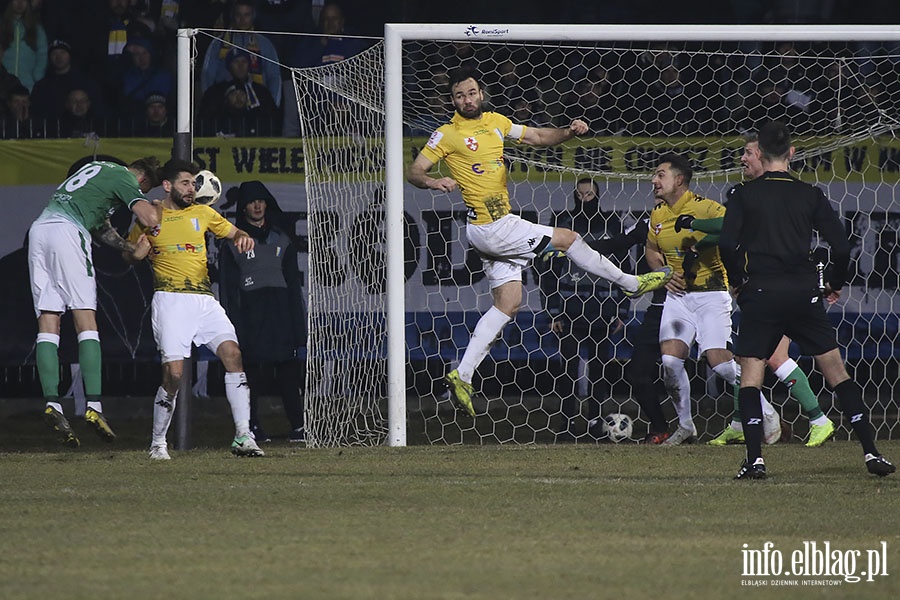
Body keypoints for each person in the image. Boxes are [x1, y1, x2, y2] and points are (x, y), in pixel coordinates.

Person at [406, 66, 673, 418]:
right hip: (493, 227)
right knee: (569, 238)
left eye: (471, 93)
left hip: (491, 229)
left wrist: (568, 131)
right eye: (459, 95)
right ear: (452, 100)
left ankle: (463, 373)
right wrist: (433, 182)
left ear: (481, 94)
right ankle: (631, 283)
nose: (466, 100)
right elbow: (415, 171)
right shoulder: (447, 134)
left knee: (509, 303)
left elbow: (537, 137)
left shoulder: (497, 122)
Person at [719, 121, 895, 480]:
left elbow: (725, 245)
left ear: (760, 152)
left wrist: (738, 283)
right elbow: (843, 246)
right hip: (803, 293)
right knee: (836, 372)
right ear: (792, 153)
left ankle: (755, 460)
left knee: (752, 376)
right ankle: (872, 453)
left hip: (762, 293)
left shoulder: (742, 195)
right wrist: (833, 282)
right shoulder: (810, 194)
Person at [692, 133, 836, 448]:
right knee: (748, 356)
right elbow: (730, 231)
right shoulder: (749, 194)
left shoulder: (776, 194)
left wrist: (694, 226)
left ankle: (818, 419)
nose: (742, 159)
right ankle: (739, 423)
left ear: (763, 156)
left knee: (771, 357)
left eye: (747, 153)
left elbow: (726, 227)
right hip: (763, 288)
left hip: (782, 287)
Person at [124, 158, 264, 460]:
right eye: (186, 183)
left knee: (233, 354)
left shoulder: (203, 213)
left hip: (203, 299)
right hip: (170, 300)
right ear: (167, 185)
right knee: (173, 376)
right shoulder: (151, 215)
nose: (192, 188)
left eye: (194, 183)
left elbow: (236, 233)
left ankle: (243, 435)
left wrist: (244, 238)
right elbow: (130, 253)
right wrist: (137, 253)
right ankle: (158, 444)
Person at [645, 153, 781, 446]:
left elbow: (734, 230)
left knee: (719, 364)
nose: (653, 180)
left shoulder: (705, 208)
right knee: (670, 362)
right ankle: (685, 426)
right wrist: (664, 272)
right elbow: (651, 250)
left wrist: (706, 245)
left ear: (679, 180)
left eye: (660, 175)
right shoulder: (657, 214)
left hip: (711, 294)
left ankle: (767, 411)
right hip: (678, 297)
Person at [28, 156, 162, 447]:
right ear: (142, 181)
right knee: (85, 319)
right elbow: (150, 219)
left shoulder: (98, 172)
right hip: (67, 232)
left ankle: (53, 403)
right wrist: (157, 214)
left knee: (49, 319)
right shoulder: (126, 179)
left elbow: (101, 227)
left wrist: (128, 247)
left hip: (40, 230)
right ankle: (95, 407)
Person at [533, 179, 630, 441]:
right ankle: (566, 424)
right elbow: (549, 270)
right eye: (581, 194)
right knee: (567, 371)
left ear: (598, 195)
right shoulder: (564, 224)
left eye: (590, 194)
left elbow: (624, 268)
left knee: (599, 370)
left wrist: (622, 310)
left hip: (603, 309)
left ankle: (596, 424)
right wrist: (552, 310)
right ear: (574, 195)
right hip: (570, 309)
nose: (586, 198)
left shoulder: (612, 225)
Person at [220, 181, 306, 443]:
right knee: (252, 376)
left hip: (280, 314)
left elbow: (294, 286)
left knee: (289, 374)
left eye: (261, 201)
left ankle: (299, 427)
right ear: (243, 206)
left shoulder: (282, 239)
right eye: (251, 201)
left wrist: (298, 326)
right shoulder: (232, 242)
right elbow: (227, 289)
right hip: (251, 315)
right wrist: (234, 327)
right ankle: (253, 426)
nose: (257, 206)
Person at [200, 0, 281, 108]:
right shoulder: (218, 44)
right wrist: (210, 103)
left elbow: (274, 78)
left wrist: (273, 107)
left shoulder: (264, 44)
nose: (242, 20)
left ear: (253, 16)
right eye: (238, 15)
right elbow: (207, 76)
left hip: (258, 106)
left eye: (246, 15)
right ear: (232, 16)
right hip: (224, 105)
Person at [0, 0, 48, 92]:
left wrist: (37, 77)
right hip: (3, 84)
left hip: (28, 85)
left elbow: (42, 54)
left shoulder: (37, 28)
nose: (20, 2)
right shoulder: (1, 25)